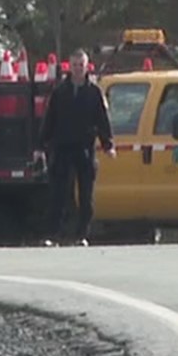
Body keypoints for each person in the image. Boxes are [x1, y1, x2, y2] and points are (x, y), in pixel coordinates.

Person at [38, 49, 115, 246]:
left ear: (86, 66)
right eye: (74, 65)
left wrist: (108, 144)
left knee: (86, 195)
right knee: (59, 194)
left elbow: (103, 121)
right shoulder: (60, 92)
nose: (78, 69)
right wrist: (40, 145)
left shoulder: (94, 91)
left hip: (85, 149)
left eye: (81, 65)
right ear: (69, 67)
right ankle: (53, 235)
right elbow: (50, 120)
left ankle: (81, 235)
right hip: (63, 148)